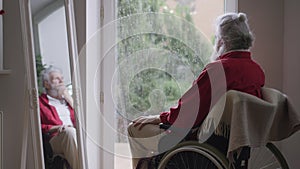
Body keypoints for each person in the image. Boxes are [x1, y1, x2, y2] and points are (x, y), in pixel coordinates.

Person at [127, 12, 265, 169]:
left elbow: (188, 113)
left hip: (200, 142)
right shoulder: (256, 71)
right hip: (233, 143)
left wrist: (159, 118)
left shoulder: (219, 69)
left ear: (222, 41)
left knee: (134, 128)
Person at [39, 66, 78, 169]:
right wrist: (57, 127)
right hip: (56, 137)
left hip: (75, 134)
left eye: (62, 78)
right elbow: (37, 126)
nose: (61, 81)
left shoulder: (69, 101)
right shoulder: (40, 103)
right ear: (46, 84)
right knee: (70, 132)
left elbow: (84, 120)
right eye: (56, 78)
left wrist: (68, 97)